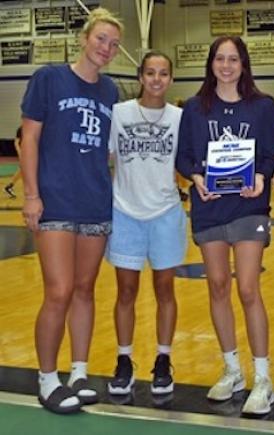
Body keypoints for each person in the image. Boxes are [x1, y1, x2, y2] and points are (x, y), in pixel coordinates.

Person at [19, 8, 122, 414]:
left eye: (114, 44)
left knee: (84, 290)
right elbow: (29, 139)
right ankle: (48, 378)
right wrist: (31, 194)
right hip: (56, 200)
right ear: (84, 38)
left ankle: (79, 372)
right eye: (101, 39)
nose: (107, 49)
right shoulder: (49, 78)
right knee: (58, 291)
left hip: (95, 201)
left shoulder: (112, 91)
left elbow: (112, 149)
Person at [176, 36, 274, 415]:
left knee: (248, 288)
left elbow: (270, 154)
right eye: (220, 58)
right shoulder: (194, 108)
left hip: (249, 207)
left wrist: (263, 177)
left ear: (244, 64)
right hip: (209, 208)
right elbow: (184, 156)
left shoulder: (262, 106)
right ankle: (233, 369)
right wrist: (196, 177)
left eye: (234, 59)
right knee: (218, 286)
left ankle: (263, 378)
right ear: (211, 63)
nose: (227, 65)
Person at [106, 51, 186, 397]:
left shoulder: (181, 118)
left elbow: (189, 162)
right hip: (125, 213)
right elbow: (106, 157)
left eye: (163, 73)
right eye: (151, 72)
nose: (156, 79)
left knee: (165, 290)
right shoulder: (119, 113)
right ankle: (124, 359)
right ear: (141, 76)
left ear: (170, 79)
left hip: (166, 213)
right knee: (126, 291)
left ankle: (163, 359)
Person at [3, 126, 22, 199]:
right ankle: (9, 186)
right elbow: (16, 142)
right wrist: (20, 152)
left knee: (23, 171)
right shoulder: (21, 129)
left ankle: (9, 186)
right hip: (25, 153)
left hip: (31, 152)